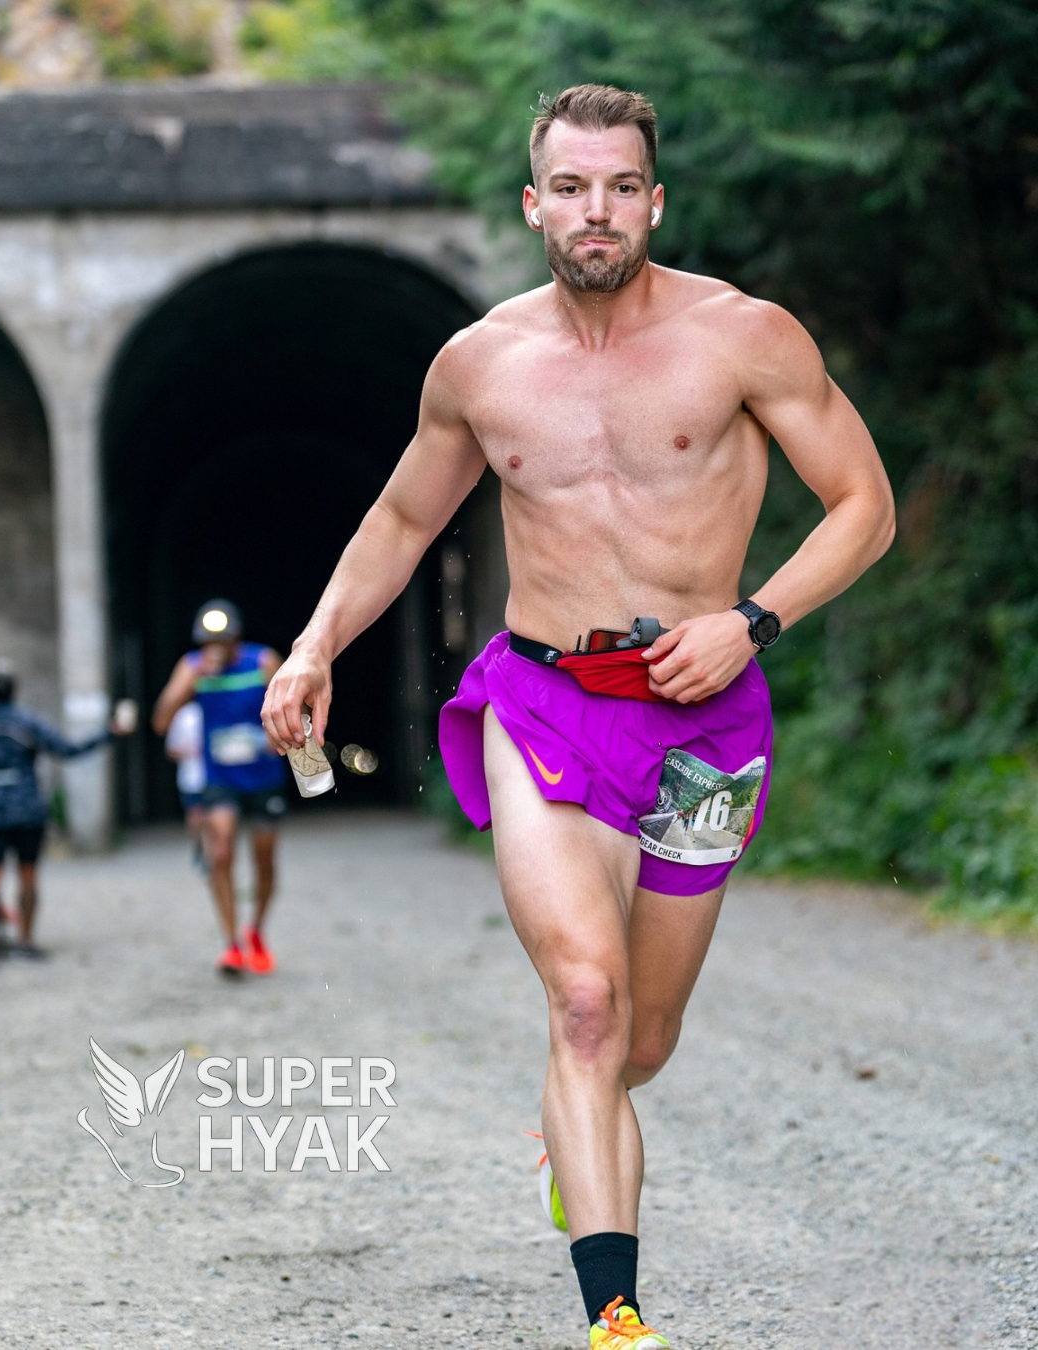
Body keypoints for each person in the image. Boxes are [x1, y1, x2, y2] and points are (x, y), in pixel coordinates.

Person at [261, 84, 895, 1349]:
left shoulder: (745, 337)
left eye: (619, 187)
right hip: (543, 698)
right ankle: (616, 1315)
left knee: (644, 1038)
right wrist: (318, 643)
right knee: (588, 1006)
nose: (594, 211)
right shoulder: (480, 364)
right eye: (570, 187)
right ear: (532, 202)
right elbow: (402, 521)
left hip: (705, 716)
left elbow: (864, 505)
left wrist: (751, 621)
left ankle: (575, 1134)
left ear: (652, 201)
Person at [0, 661, 133, 964]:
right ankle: (26, 941)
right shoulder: (27, 721)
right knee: (28, 874)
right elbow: (67, 749)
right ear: (15, 689)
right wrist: (109, 734)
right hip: (26, 810)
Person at [152, 600, 287, 977]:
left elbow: (294, 710)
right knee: (222, 850)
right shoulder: (192, 667)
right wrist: (190, 684)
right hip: (219, 780)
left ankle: (256, 930)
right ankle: (230, 944)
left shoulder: (262, 662)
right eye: (206, 641)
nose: (213, 648)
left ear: (235, 640)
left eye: (221, 641)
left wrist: (277, 738)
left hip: (263, 777)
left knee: (264, 859)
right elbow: (161, 721)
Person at [164, 699, 207, 869]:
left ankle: (210, 851)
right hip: (191, 776)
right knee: (195, 815)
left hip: (217, 777)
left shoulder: (219, 704)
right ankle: (200, 848)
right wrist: (189, 751)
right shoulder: (183, 715)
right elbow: (171, 749)